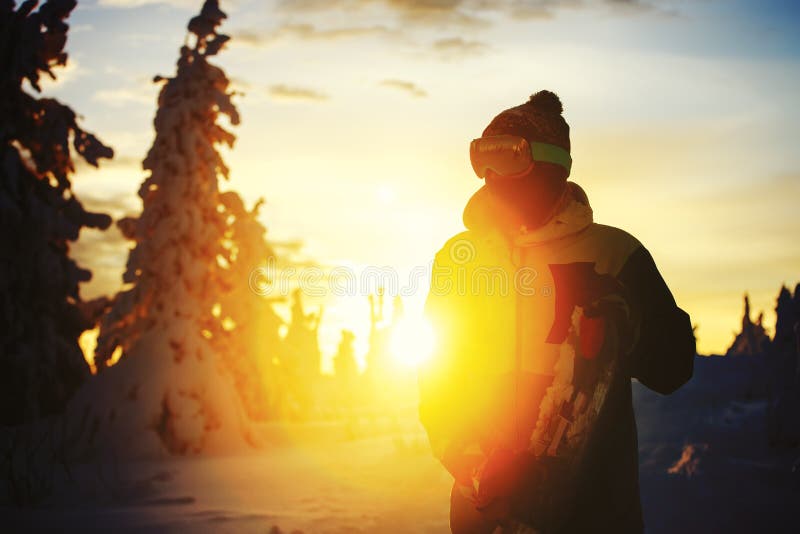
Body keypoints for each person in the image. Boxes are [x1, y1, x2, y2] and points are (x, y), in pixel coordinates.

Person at [419, 90, 696, 533]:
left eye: (509, 158)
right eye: (481, 160)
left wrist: (629, 325)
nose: (490, 176)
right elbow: (437, 380)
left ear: (552, 166)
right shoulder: (459, 259)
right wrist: (474, 465)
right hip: (483, 510)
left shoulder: (614, 254)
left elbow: (674, 369)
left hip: (591, 511)